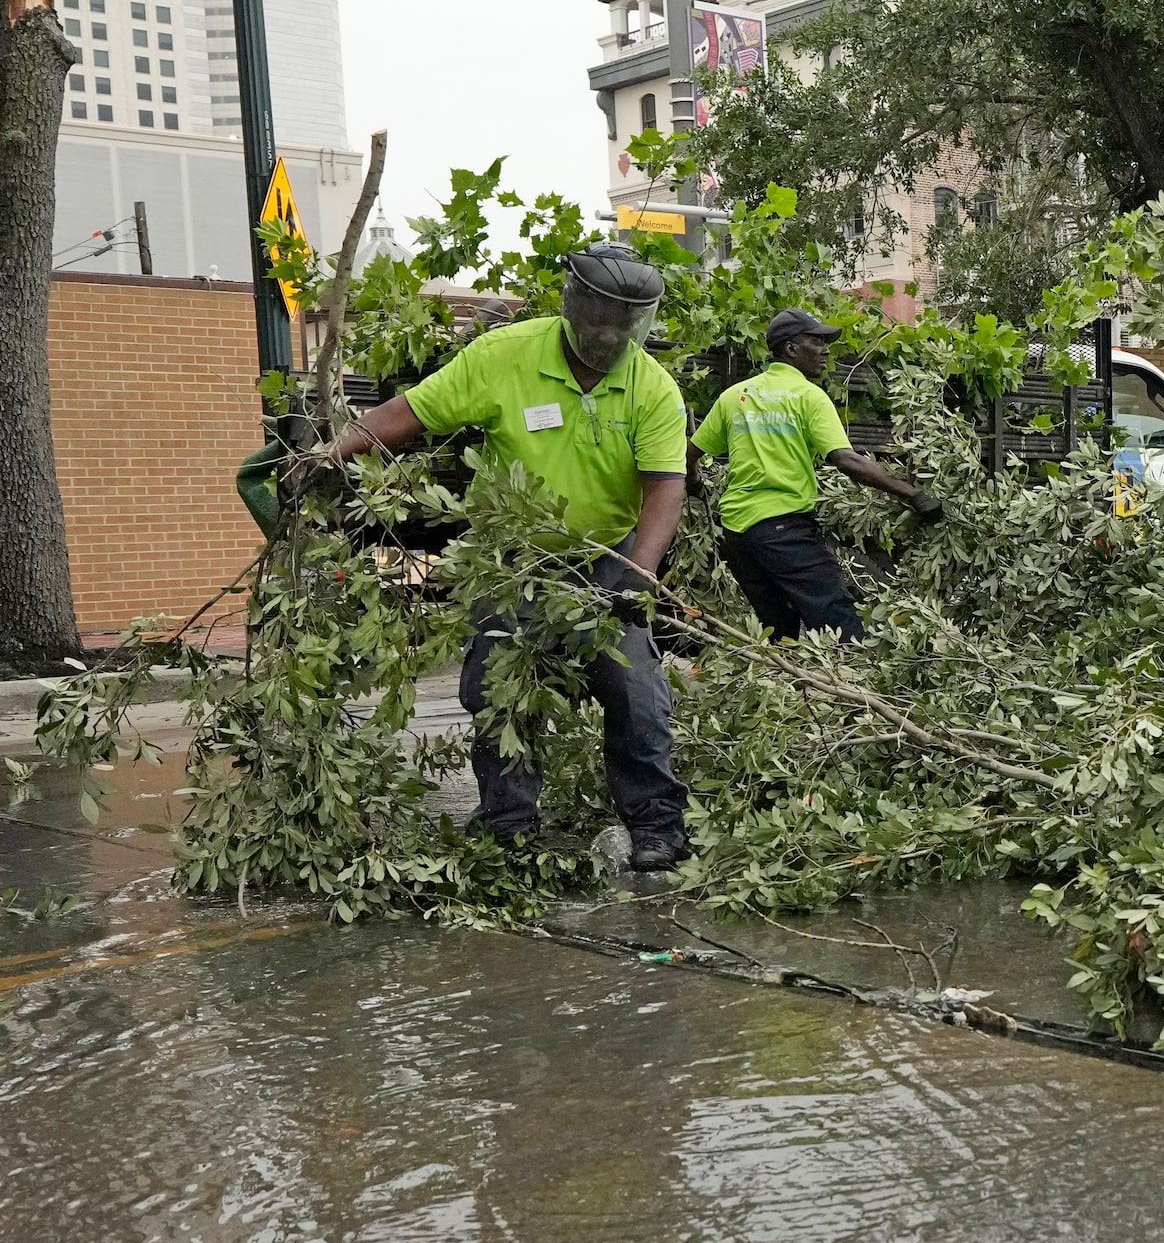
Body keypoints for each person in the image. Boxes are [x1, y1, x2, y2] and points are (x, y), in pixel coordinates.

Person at [303, 244, 695, 870]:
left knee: (635, 689)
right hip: (511, 560)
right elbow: (410, 412)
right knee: (496, 687)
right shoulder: (502, 357)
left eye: (626, 323)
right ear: (575, 305)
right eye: (601, 318)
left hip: (607, 555)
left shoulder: (651, 386)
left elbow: (664, 489)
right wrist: (333, 454)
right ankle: (509, 823)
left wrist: (635, 575)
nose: (610, 334)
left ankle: (656, 824)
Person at [692, 308, 936, 642]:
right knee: (840, 625)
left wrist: (693, 485)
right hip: (784, 530)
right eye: (816, 341)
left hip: (738, 536)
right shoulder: (808, 396)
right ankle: (859, 692)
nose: (825, 350)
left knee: (779, 631)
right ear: (791, 349)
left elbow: (688, 457)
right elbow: (846, 460)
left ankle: (790, 692)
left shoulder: (735, 396)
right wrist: (912, 494)